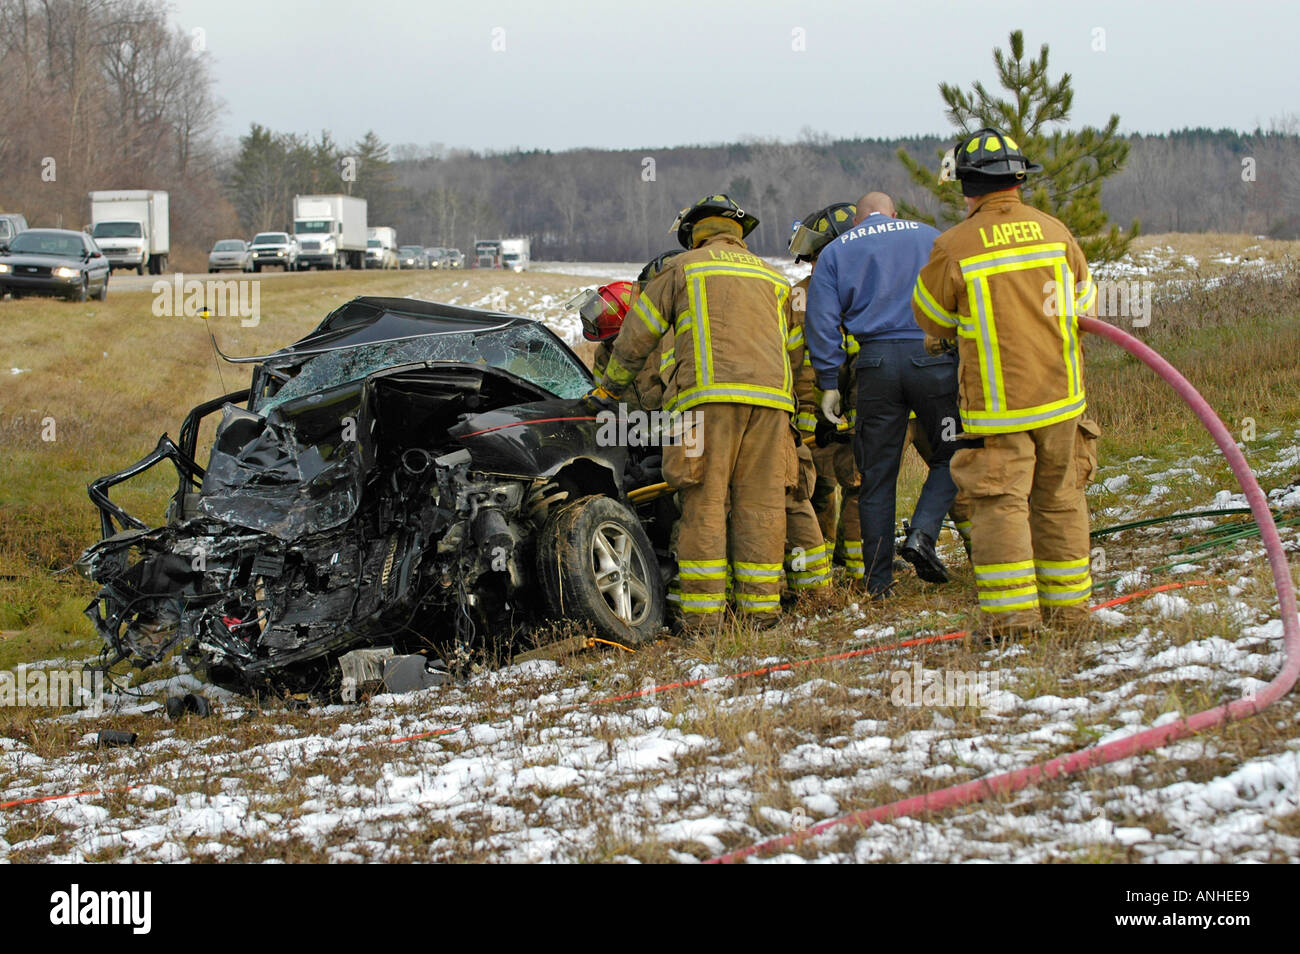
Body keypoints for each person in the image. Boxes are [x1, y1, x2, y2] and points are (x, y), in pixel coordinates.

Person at [911, 127, 1100, 640]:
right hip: (1063, 400)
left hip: (999, 411)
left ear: (967, 188)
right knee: (1060, 499)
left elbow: (932, 318)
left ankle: (1014, 623)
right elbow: (1084, 303)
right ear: (1019, 180)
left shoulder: (954, 245)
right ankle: (1070, 615)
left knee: (1000, 505)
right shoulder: (1056, 232)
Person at [592, 194, 798, 633]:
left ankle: (704, 619)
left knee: (703, 501)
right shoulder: (774, 278)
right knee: (761, 504)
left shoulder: (682, 268)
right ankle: (761, 613)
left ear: (693, 234)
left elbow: (638, 333)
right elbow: (794, 351)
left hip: (703, 405)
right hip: (773, 404)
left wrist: (607, 388)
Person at [805, 192, 961, 598]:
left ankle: (877, 584)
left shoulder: (839, 251)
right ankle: (923, 532)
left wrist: (827, 383)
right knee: (953, 453)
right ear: (895, 213)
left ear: (857, 221)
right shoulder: (932, 237)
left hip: (874, 368)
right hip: (933, 360)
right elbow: (963, 294)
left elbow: (821, 321)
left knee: (876, 476)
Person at [787, 202, 864, 584]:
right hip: (833, 416)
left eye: (818, 256)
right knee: (850, 486)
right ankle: (853, 570)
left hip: (812, 418)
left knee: (816, 493)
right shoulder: (858, 289)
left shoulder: (798, 295)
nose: (813, 265)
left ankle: (823, 572)